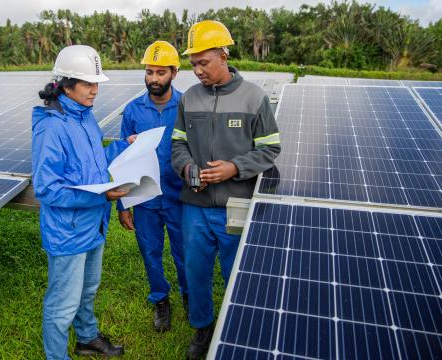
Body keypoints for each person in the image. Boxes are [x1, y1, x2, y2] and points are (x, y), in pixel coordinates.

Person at [171, 20, 281, 359]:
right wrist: (188, 169)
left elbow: (270, 148)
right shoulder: (189, 98)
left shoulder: (254, 97)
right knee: (196, 269)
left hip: (237, 204)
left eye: (204, 62)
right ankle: (203, 327)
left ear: (224, 54)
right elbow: (177, 146)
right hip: (196, 206)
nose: (198, 71)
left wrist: (235, 167)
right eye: (193, 65)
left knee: (238, 269)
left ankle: (242, 325)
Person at [32, 45, 128, 360]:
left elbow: (95, 165)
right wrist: (101, 194)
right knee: (62, 305)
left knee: (87, 292)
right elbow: (47, 189)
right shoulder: (52, 126)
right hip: (68, 231)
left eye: (96, 83)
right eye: (88, 84)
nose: (95, 90)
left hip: (92, 224)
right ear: (66, 84)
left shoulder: (84, 116)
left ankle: (87, 338)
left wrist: (124, 147)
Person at [117, 40, 188, 332]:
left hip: (180, 197)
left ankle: (189, 295)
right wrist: (123, 204)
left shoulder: (187, 105)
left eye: (161, 72)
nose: (154, 79)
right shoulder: (133, 111)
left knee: (185, 251)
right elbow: (123, 158)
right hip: (144, 199)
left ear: (174, 73)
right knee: (150, 252)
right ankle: (161, 299)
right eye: (149, 72)